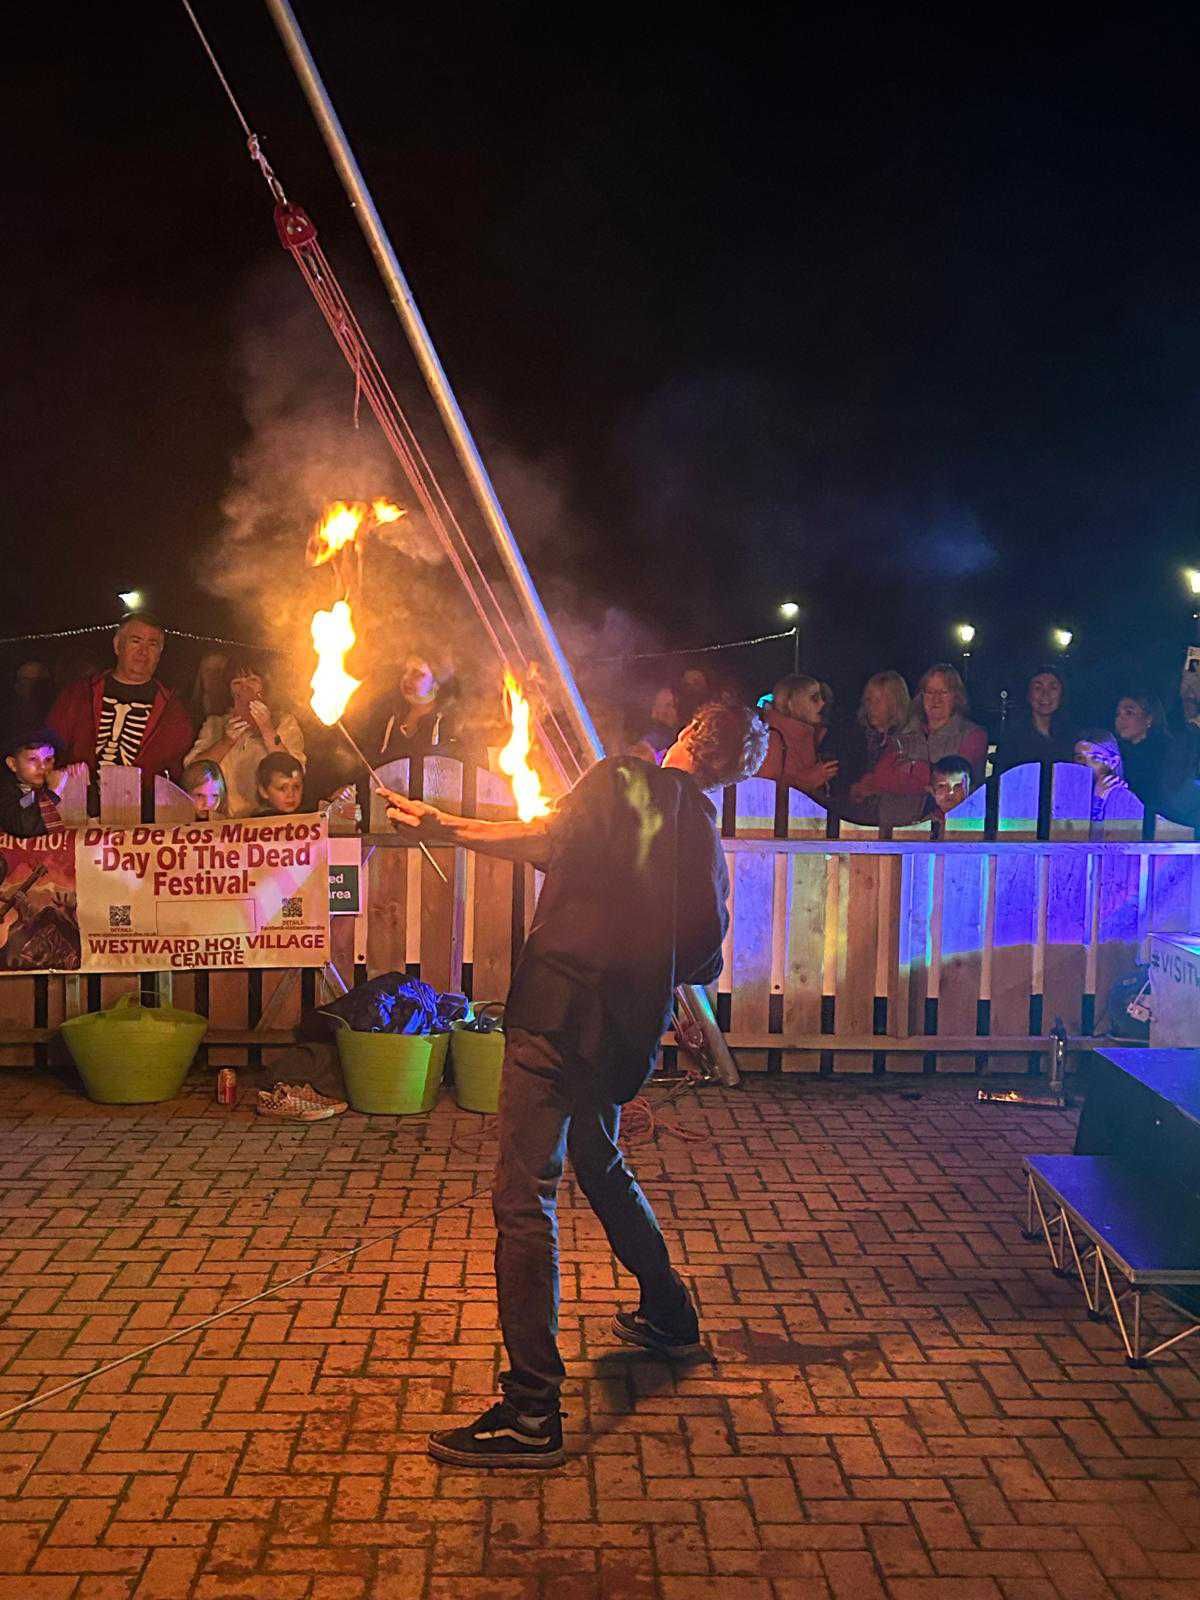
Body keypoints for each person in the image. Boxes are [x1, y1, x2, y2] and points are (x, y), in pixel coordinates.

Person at [383, 700, 769, 1469]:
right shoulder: (703, 839)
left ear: (690, 736)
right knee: (598, 1159)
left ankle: (530, 1410)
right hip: (620, 1036)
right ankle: (669, 1312)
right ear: (734, 773)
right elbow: (701, 954)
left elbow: (544, 840)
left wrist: (442, 825)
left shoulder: (619, 776)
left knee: (524, 1199)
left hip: (555, 1015)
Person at [46, 614, 193, 797]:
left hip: (144, 816)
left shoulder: (173, 711)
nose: (143, 651)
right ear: (117, 645)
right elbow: (48, 749)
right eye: (136, 641)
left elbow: (180, 769)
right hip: (75, 807)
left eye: (152, 644)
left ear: (160, 653)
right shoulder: (78, 695)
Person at [187, 660, 305, 818]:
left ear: (264, 686)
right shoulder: (215, 724)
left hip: (268, 823)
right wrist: (225, 742)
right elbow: (192, 775)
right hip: (223, 824)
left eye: (252, 680)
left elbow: (294, 772)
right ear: (229, 690)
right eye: (237, 682)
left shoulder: (285, 723)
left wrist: (267, 729)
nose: (245, 687)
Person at [757, 674, 838, 797]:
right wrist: (808, 780)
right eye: (814, 698)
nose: (822, 703)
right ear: (791, 704)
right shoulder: (772, 737)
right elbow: (763, 791)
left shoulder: (808, 736)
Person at [0, 730, 87, 838]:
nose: (42, 766)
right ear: (13, 764)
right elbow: (23, 826)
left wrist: (75, 779)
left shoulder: (48, 785)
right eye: (33, 759)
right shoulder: (4, 791)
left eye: (48, 759)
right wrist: (53, 792)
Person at [992, 668, 1075, 773]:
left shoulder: (1072, 736)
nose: (1045, 695)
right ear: (1028, 694)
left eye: (1053, 688)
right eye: (1038, 688)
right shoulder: (1012, 738)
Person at [1114, 692, 1169, 818]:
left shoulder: (1165, 754)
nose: (1120, 719)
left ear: (1149, 718)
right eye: (1117, 714)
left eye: (1129, 712)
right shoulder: (1116, 753)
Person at [1074, 728, 1130, 822]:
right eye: (1080, 758)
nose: (1086, 765)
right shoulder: (1067, 794)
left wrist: (1098, 801)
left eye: (1095, 758)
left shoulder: (1123, 797)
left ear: (1113, 762)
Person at [928, 754, 972, 821]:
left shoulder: (975, 819)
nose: (950, 792)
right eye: (942, 786)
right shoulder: (927, 822)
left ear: (968, 790)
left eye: (957, 786)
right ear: (932, 791)